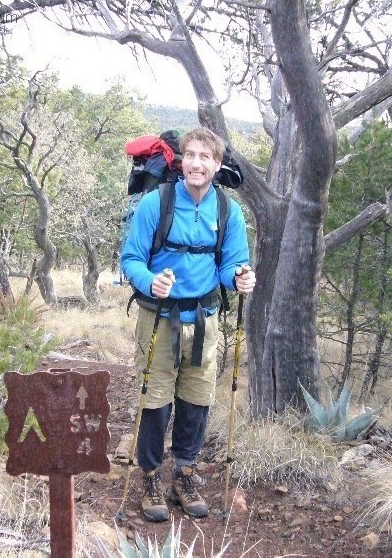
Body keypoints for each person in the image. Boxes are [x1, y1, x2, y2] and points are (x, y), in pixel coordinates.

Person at [121, 126, 256, 522]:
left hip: (204, 318)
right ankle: (149, 476)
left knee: (196, 399)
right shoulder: (155, 204)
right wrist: (151, 281)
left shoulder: (228, 212)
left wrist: (241, 277)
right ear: (181, 161)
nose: (196, 163)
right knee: (155, 399)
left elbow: (232, 263)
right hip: (159, 316)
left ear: (217, 165)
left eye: (205, 157)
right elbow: (130, 259)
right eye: (190, 156)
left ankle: (184, 473)